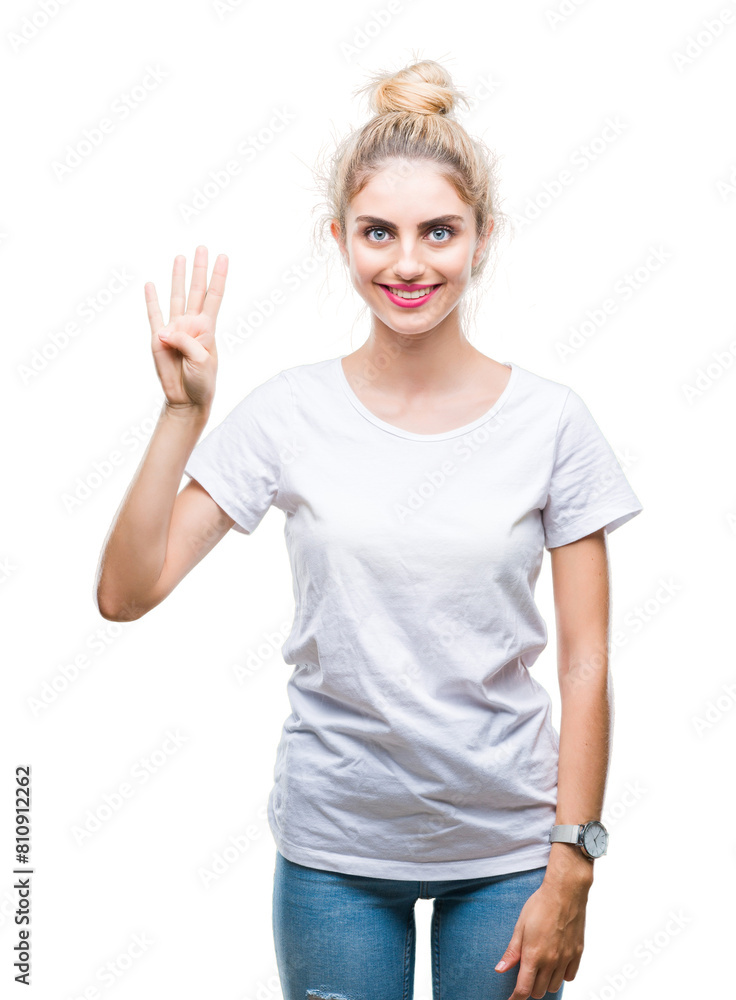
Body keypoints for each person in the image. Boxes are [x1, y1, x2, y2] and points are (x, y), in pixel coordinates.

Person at [95, 56, 643, 1000]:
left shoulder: (554, 422)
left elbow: (586, 662)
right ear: (339, 237)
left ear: (483, 237)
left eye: (439, 231)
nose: (407, 263)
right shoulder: (286, 414)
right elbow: (126, 594)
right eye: (377, 233)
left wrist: (575, 862)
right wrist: (182, 415)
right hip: (335, 854)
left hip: (510, 848)